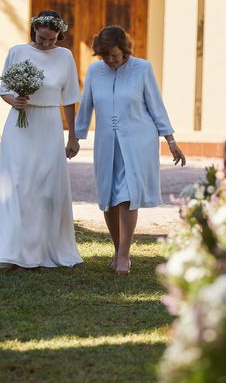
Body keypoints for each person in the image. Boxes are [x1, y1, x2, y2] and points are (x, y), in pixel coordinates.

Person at [75, 26, 186, 276]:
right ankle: (116, 248)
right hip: (106, 143)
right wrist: (77, 137)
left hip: (138, 141)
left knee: (127, 195)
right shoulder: (95, 71)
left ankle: (124, 255)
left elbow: (156, 106)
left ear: (125, 51)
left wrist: (170, 140)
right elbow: (86, 105)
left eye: (115, 55)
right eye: (105, 57)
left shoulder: (142, 69)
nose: (111, 61)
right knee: (108, 198)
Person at [0, 10, 83, 269]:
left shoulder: (65, 57)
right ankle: (12, 252)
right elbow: (4, 90)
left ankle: (45, 250)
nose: (46, 44)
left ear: (59, 36)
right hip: (21, 127)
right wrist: (16, 101)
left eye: (51, 40)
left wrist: (73, 137)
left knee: (46, 187)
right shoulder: (17, 52)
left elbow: (68, 100)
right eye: (42, 39)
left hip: (49, 125)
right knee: (18, 184)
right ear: (34, 30)